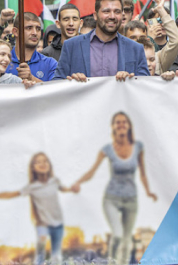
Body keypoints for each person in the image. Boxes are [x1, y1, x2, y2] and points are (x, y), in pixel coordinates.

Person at [71, 112, 157, 265]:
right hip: (111, 198)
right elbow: (92, 171)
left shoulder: (138, 147)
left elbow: (143, 173)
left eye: (124, 122)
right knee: (117, 235)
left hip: (131, 199)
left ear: (129, 126)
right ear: (113, 127)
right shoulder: (107, 149)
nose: (121, 124)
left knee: (127, 241)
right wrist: (78, 182)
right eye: (118, 122)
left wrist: (148, 191)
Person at [0, 153, 76, 265]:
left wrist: (72, 189)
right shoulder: (32, 187)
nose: (42, 164)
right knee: (41, 248)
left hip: (58, 223)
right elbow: (12, 194)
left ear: (49, 165)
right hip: (42, 224)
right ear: (33, 168)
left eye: (45, 161)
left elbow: (64, 189)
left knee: (56, 254)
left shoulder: (55, 181)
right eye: (38, 162)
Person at [57, 0, 151, 81]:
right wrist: (71, 82)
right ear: (95, 15)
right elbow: (57, 82)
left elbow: (145, 85)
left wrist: (131, 80)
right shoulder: (71, 46)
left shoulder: (136, 49)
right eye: (106, 11)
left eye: (117, 12)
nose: (112, 16)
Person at [7, 13, 57, 82]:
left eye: (38, 29)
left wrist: (32, 78)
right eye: (29, 28)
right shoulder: (3, 61)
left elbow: (57, 88)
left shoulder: (50, 64)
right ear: (15, 32)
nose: (35, 33)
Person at [143, 0, 178, 71]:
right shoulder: (140, 46)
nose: (163, 24)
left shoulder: (173, 49)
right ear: (149, 22)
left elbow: (177, 40)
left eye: (165, 20)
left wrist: (161, 9)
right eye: (159, 20)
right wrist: (150, 39)